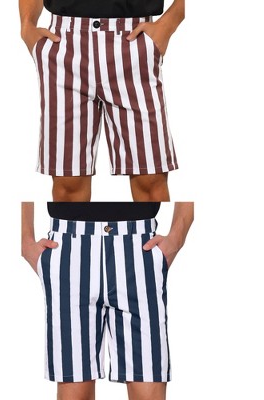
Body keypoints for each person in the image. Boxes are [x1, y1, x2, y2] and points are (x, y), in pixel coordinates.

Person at [21, 202, 194, 400]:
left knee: (148, 388)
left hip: (139, 248)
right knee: (74, 391)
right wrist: (25, 241)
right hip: (69, 247)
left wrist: (176, 237)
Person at [19, 0, 186, 201]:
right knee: (68, 185)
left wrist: (169, 23)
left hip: (133, 41)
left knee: (150, 179)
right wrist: (27, 25)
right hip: (64, 44)